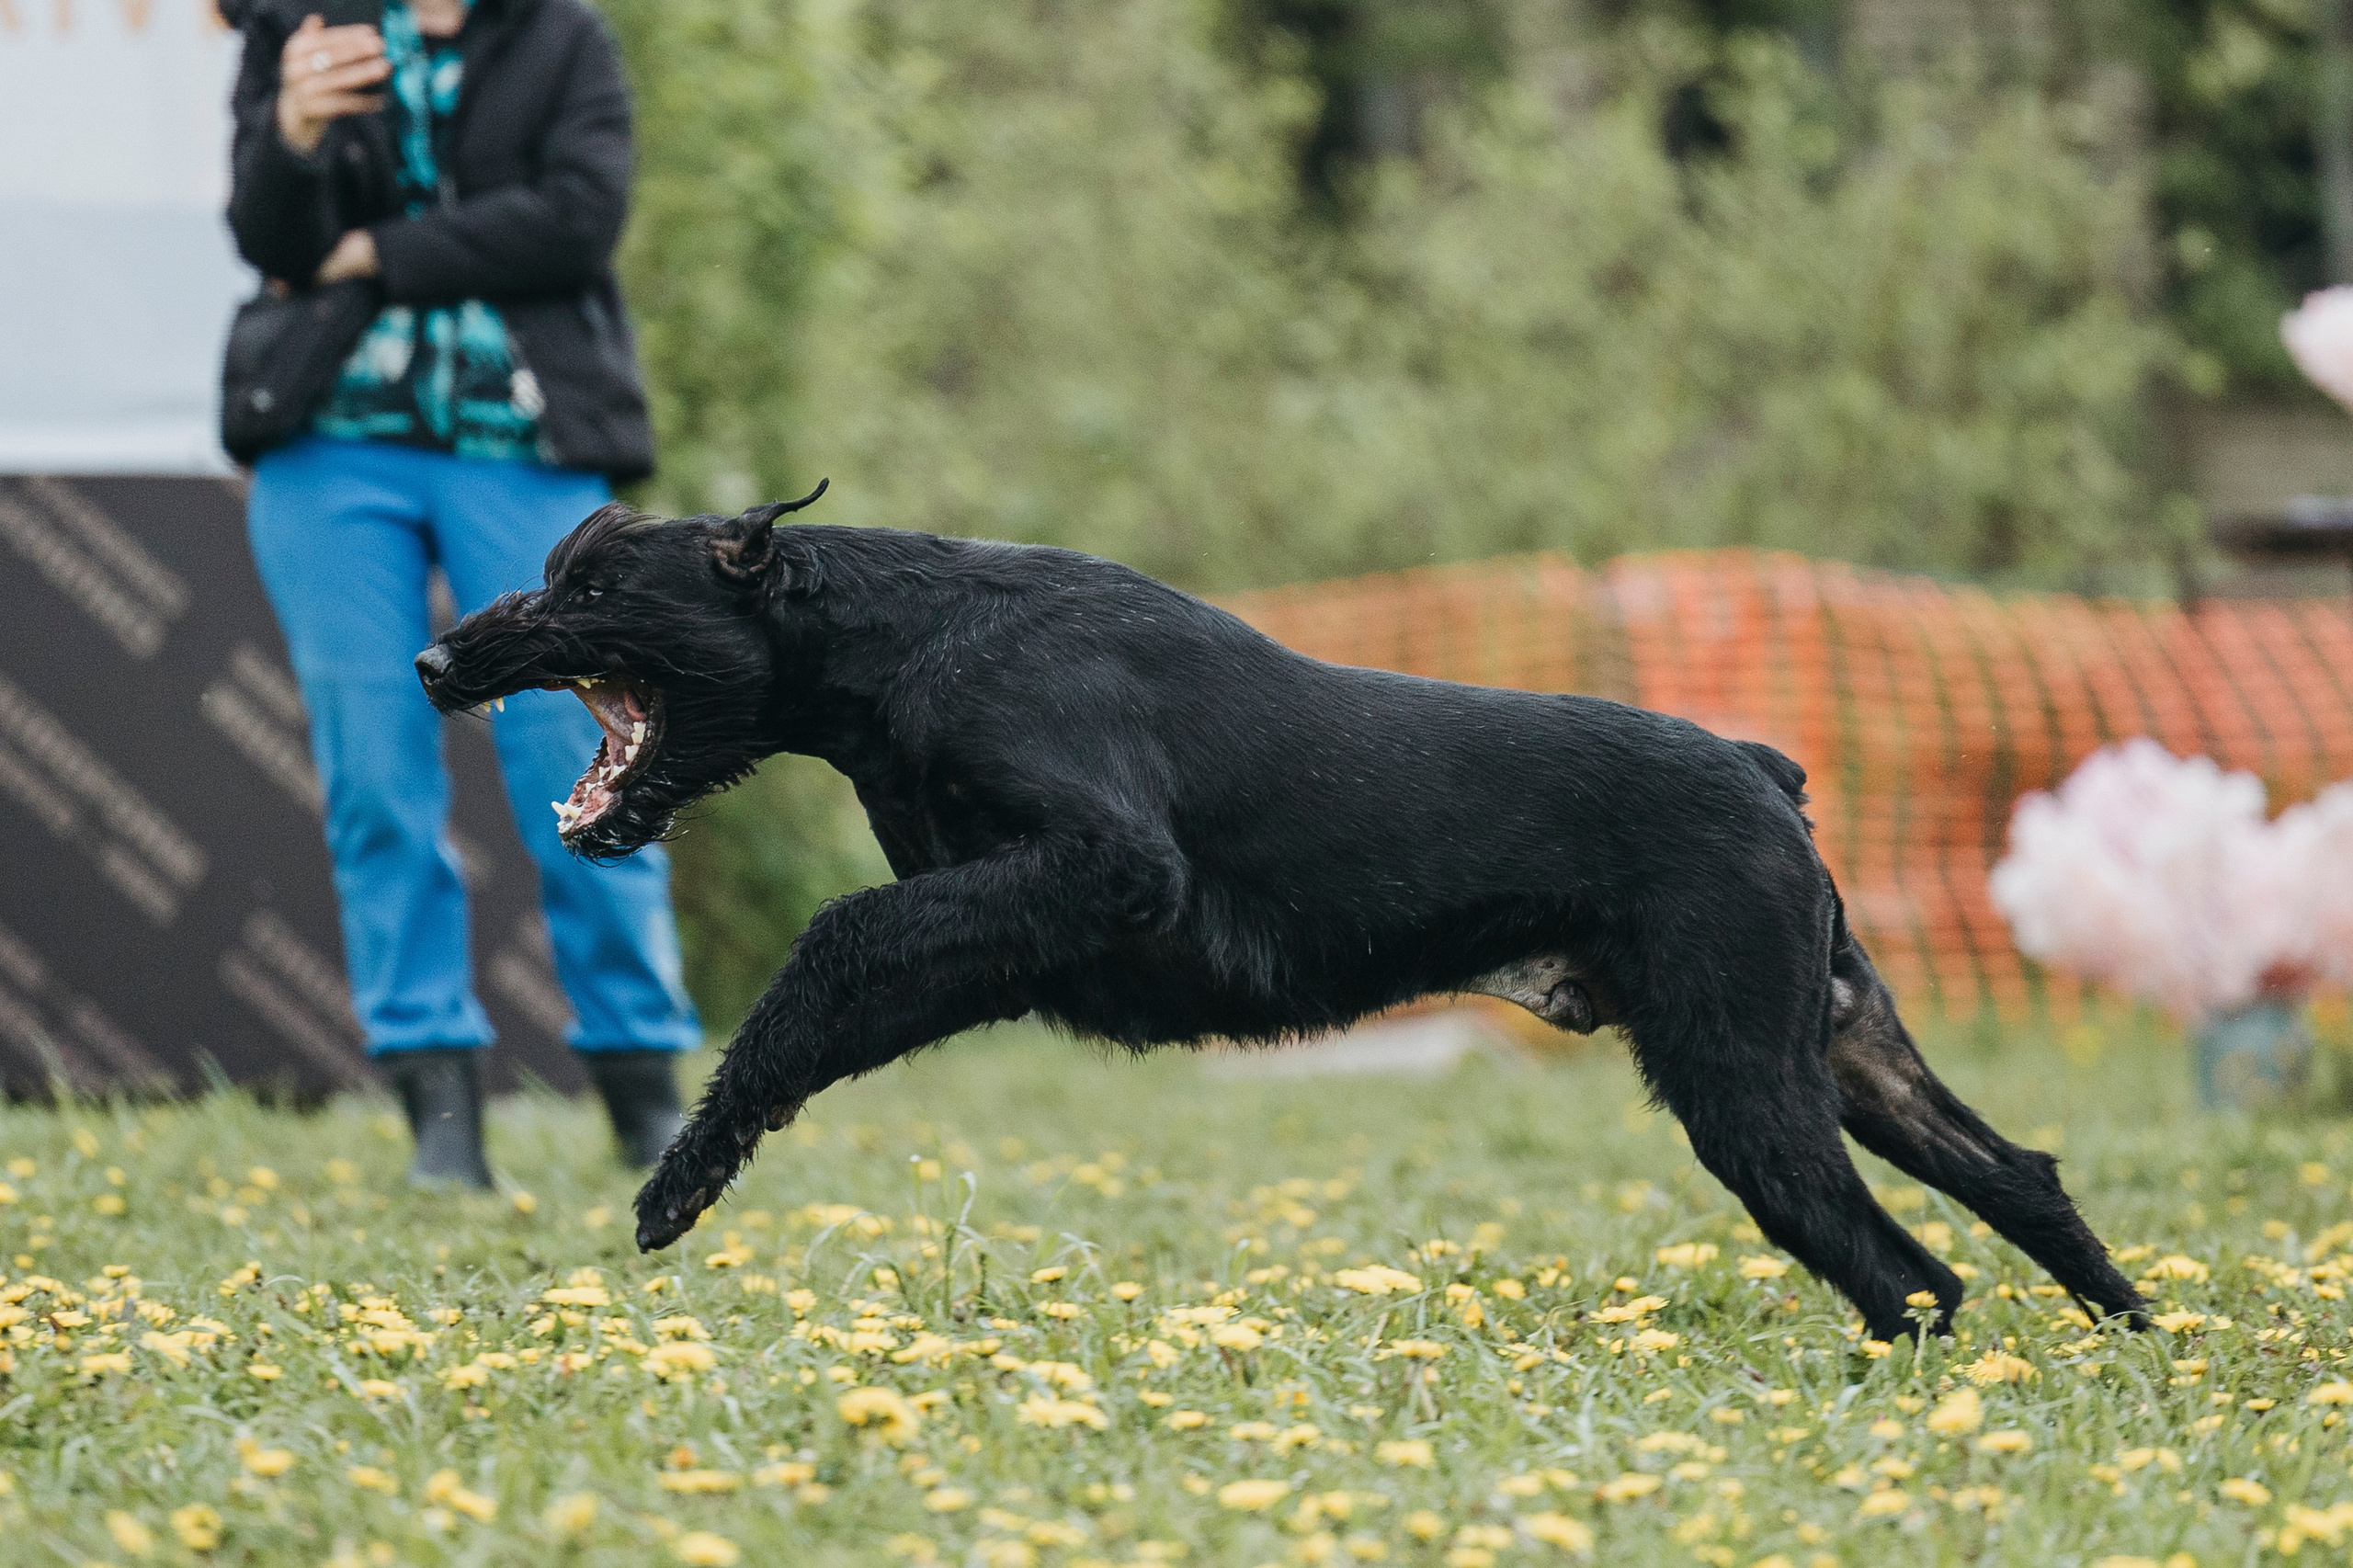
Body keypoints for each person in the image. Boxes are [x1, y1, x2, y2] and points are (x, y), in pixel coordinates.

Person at [219, 0, 699, 1187]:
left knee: (587, 760)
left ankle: (647, 1093)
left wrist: (377, 253)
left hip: (527, 454)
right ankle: (438, 1107)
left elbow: (577, 224)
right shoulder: (297, 26)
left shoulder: (565, 40)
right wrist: (287, 131)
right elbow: (269, 242)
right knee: (376, 775)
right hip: (328, 453)